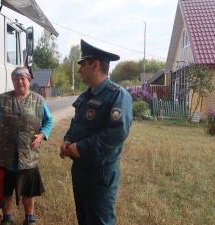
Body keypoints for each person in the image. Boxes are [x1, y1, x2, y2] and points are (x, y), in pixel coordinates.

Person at [59, 39, 133, 225]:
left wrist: (82, 147)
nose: (79, 70)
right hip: (80, 170)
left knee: (100, 221)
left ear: (96, 65)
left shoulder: (117, 95)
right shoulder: (86, 96)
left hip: (100, 172)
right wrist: (68, 140)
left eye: (83, 64)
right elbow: (76, 123)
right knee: (84, 219)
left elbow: (117, 133)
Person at [0, 66, 53, 225]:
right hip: (5, 155)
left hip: (28, 155)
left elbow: (48, 120)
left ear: (29, 80)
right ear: (13, 81)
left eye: (23, 78)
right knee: (6, 191)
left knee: (28, 192)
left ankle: (29, 218)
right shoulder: (3, 99)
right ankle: (7, 219)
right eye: (16, 79)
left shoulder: (39, 100)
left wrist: (42, 134)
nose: (19, 81)